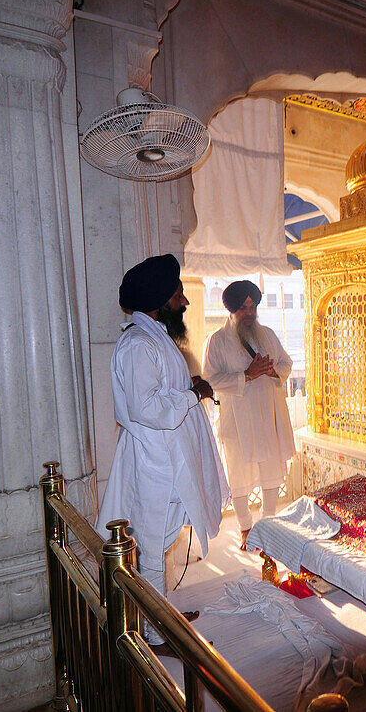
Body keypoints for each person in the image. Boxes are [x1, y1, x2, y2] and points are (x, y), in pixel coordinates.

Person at [96, 254, 230, 652]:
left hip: (168, 460)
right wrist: (192, 393)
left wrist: (187, 384)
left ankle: (163, 616)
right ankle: (156, 636)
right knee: (151, 549)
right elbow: (147, 408)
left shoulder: (153, 336)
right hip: (154, 462)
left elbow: (160, 388)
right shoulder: (138, 343)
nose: (185, 302)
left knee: (162, 543)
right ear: (159, 299)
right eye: (178, 294)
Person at [202, 280, 295, 550]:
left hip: (268, 415)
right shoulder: (217, 341)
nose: (249, 312)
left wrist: (272, 371)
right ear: (232, 310)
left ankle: (269, 524)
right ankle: (245, 528)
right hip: (237, 420)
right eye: (243, 308)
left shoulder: (267, 334)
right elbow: (210, 379)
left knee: (271, 470)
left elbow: (286, 362)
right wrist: (247, 375)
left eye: (252, 306)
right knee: (239, 474)